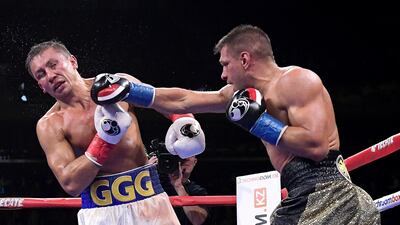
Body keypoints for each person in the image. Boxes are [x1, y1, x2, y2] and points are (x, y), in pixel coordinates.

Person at [92, 25, 381, 224]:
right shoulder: (238, 96)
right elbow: (183, 100)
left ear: (245, 59)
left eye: (225, 64)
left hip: (329, 196)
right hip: (303, 196)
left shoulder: (297, 81)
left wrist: (259, 123)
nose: (222, 74)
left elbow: (316, 147)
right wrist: (131, 91)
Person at [25, 40, 206, 225]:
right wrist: (105, 140)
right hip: (101, 214)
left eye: (53, 65)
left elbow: (166, 102)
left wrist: (185, 123)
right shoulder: (50, 125)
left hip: (152, 202)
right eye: (41, 74)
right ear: (41, 86)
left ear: (72, 62)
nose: (50, 75)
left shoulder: (117, 85)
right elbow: (70, 183)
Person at [148, 140, 211, 225]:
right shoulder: (154, 184)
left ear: (195, 161)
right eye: (180, 157)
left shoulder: (197, 191)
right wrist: (144, 173)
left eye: (187, 157)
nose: (182, 161)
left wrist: (178, 186)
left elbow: (197, 220)